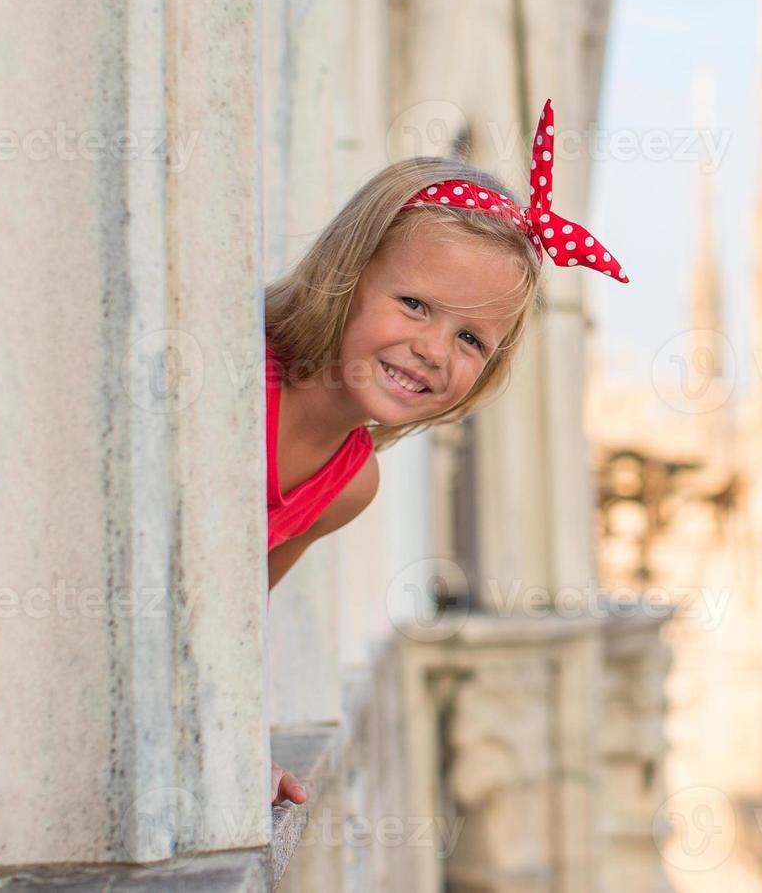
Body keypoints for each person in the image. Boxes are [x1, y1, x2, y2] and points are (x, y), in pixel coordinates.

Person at [260, 100, 626, 804]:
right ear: (348, 272)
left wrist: (240, 748)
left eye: (470, 341)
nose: (433, 351)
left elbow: (237, 613)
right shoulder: (241, 385)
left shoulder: (348, 486)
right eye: (415, 305)